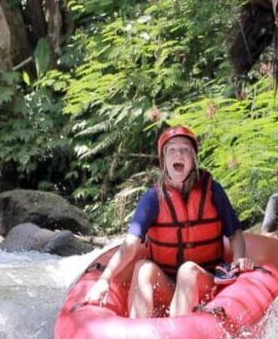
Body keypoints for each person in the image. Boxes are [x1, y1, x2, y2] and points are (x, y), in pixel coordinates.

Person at [84, 125, 254, 318]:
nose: (178, 155)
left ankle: (177, 335)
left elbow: (235, 234)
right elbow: (130, 245)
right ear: (163, 161)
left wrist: (239, 259)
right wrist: (105, 279)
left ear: (194, 159)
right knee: (142, 268)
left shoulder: (213, 191)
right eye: (172, 150)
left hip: (203, 279)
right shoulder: (153, 198)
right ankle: (138, 332)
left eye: (184, 150)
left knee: (187, 271)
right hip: (165, 282)